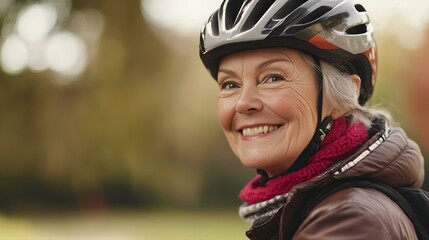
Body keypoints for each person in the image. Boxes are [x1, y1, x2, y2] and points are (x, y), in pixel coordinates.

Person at [198, 0, 425, 239]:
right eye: (230, 84)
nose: (244, 103)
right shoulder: (315, 207)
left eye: (273, 78)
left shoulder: (351, 220)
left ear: (344, 95)